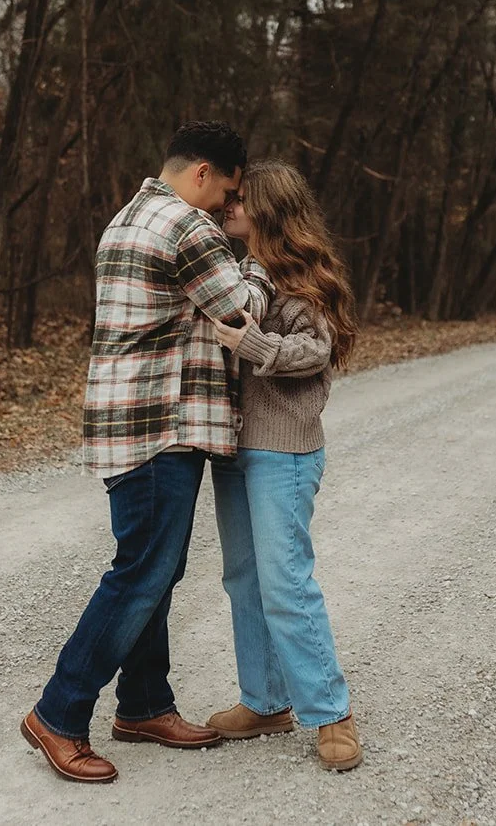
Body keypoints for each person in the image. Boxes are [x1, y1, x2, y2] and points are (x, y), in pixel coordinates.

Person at [21, 121, 273, 784]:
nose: (226, 207)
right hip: (161, 424)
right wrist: (261, 258)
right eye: (226, 191)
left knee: (151, 567)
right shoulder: (189, 227)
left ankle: (143, 703)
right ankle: (59, 710)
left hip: (123, 420)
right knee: (142, 571)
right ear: (202, 174)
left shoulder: (127, 218)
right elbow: (242, 309)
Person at [207, 159, 364, 772]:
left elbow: (316, 350)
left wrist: (252, 344)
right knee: (243, 579)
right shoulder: (237, 272)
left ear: (270, 208)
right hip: (234, 449)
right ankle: (266, 701)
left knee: (284, 583)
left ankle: (331, 713)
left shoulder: (302, 279)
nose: (229, 206)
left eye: (241, 199)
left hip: (285, 450)